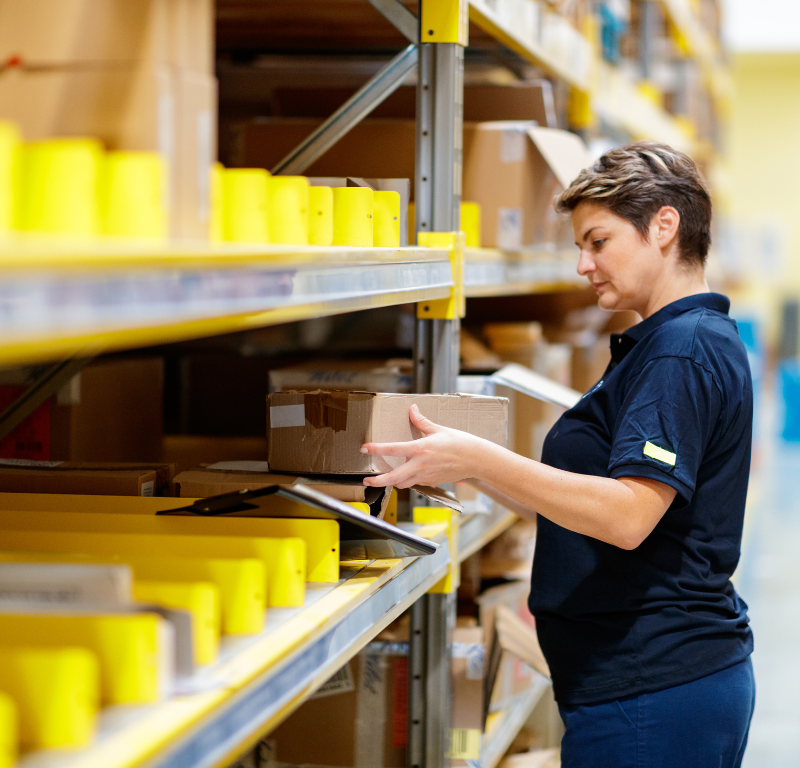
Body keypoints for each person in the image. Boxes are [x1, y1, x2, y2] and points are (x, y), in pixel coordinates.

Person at [362, 142, 755, 768]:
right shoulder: (671, 343)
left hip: (652, 689)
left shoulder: (680, 351)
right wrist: (461, 463)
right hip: (641, 684)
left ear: (663, 225)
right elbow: (580, 492)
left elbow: (628, 516)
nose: (582, 265)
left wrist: (484, 459)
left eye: (597, 242)